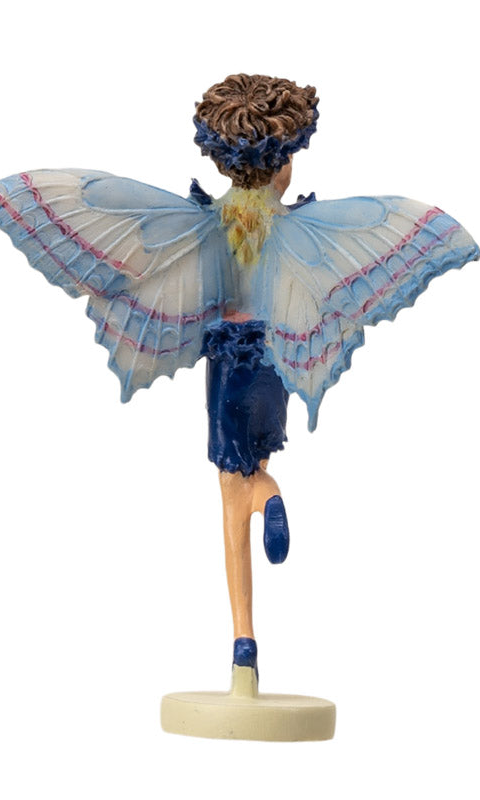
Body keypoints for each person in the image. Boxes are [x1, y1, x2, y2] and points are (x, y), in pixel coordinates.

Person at [192, 74, 320, 676]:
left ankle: (243, 638)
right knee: (251, 468)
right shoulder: (299, 228)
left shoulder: (206, 224)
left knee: (232, 488)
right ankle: (265, 494)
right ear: (281, 160)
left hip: (228, 365)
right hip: (275, 363)